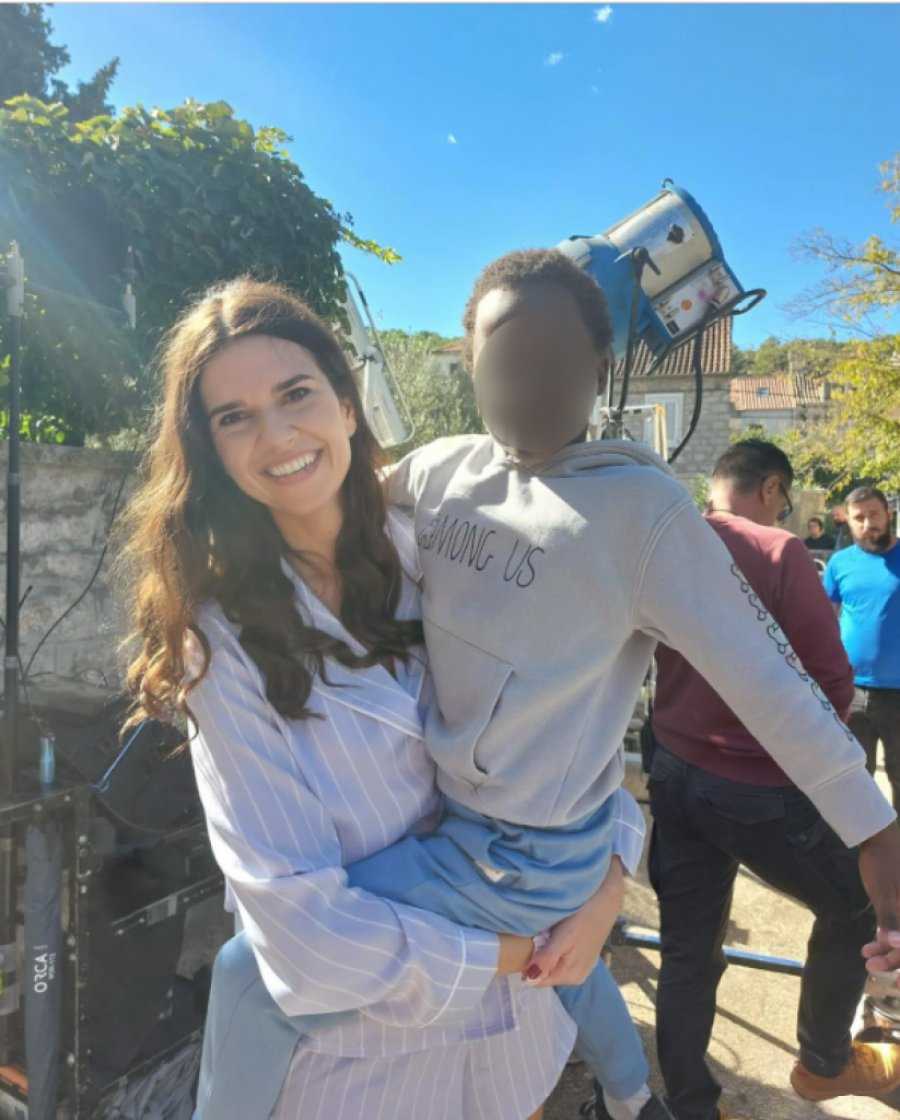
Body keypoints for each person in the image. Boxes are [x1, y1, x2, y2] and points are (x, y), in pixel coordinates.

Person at [188, 253, 900, 1120]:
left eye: (556, 364)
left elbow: (766, 679)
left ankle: (629, 1089)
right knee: (569, 962)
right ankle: (632, 1093)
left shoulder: (642, 515)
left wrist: (872, 825)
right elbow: (335, 494)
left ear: (600, 370)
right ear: (470, 364)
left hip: (530, 847)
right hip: (475, 837)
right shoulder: (442, 477)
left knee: (251, 977)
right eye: (504, 363)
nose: (527, 388)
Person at [120, 279, 618, 1120]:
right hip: (369, 1072)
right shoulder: (222, 644)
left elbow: (576, 723)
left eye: (296, 394)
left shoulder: (462, 547)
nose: (277, 435)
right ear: (210, 450)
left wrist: (607, 883)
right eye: (234, 417)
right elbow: (303, 936)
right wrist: (527, 942)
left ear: (347, 406)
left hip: (517, 1050)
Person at [649, 440, 898, 1120]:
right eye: (784, 501)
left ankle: (690, 1104)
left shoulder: (666, 541)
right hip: (758, 785)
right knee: (855, 903)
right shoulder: (779, 550)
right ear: (771, 489)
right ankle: (824, 1064)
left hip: (673, 772)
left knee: (686, 950)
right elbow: (833, 681)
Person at [825, 486, 900, 810]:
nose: (868, 524)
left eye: (874, 515)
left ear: (888, 514)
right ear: (848, 521)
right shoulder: (839, 563)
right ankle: (864, 842)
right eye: (859, 518)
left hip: (897, 692)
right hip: (849, 690)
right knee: (855, 781)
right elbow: (826, 620)